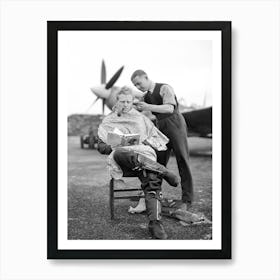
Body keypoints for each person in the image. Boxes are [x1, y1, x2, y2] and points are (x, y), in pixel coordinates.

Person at [97, 86, 179, 239]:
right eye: (122, 101)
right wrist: (112, 145)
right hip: (122, 161)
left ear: (132, 101)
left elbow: (156, 139)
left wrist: (147, 143)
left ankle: (155, 222)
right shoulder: (108, 120)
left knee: (151, 176)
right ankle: (164, 171)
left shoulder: (141, 118)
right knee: (122, 152)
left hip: (142, 158)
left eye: (129, 101)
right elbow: (100, 146)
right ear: (117, 101)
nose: (126, 104)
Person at [131, 70, 194, 210]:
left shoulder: (165, 88)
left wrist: (148, 107)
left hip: (175, 124)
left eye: (139, 83)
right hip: (160, 127)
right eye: (135, 85)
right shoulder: (146, 96)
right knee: (158, 163)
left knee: (182, 160)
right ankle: (154, 197)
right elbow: (138, 106)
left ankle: (187, 200)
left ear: (146, 77)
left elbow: (169, 108)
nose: (138, 87)